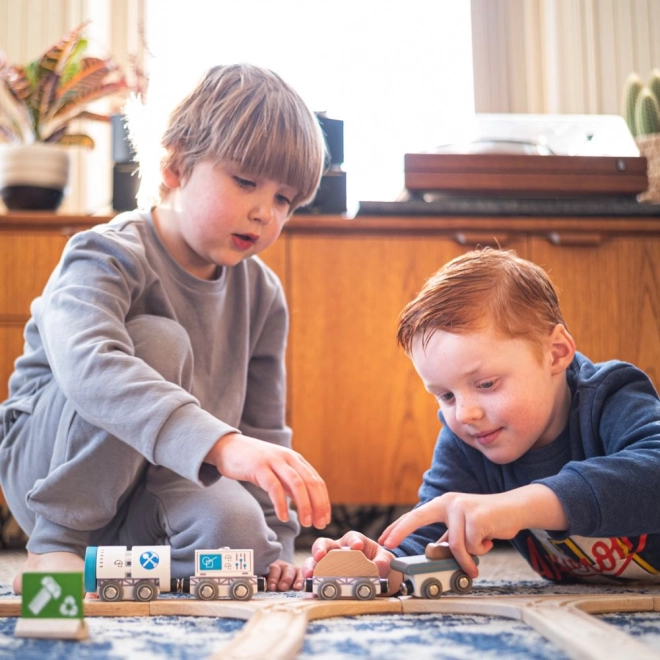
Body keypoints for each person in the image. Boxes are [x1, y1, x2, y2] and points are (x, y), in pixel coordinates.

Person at [0, 63, 332, 595]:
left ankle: (100, 570)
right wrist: (221, 445)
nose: (263, 212)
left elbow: (263, 429)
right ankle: (57, 549)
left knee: (240, 541)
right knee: (157, 342)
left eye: (284, 200)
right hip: (50, 467)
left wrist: (275, 543)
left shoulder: (264, 294)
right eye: (246, 182)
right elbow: (89, 367)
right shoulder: (105, 251)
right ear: (176, 166)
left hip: (161, 477)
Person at [304, 248, 660, 591]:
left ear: (556, 354)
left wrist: (516, 507)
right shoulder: (470, 439)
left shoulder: (611, 395)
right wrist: (381, 560)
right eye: (446, 395)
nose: (465, 413)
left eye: (486, 384)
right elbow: (429, 536)